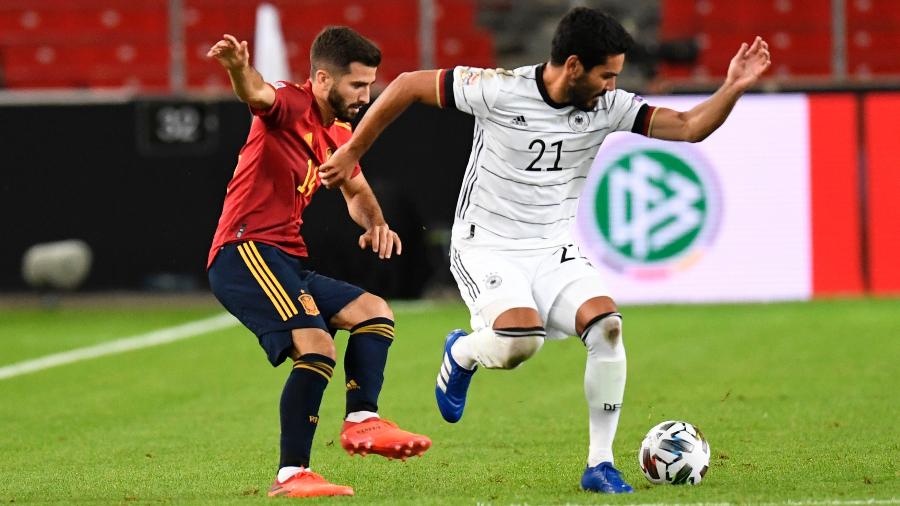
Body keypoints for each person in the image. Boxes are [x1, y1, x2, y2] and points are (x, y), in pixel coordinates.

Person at [319, 7, 771, 494]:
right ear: (573, 65)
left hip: (554, 247)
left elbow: (687, 126)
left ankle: (600, 464)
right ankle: (464, 352)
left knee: (608, 327)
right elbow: (407, 84)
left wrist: (733, 87)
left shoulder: (609, 105)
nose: (612, 85)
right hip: (486, 245)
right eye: (606, 74)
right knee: (521, 343)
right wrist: (352, 151)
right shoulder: (497, 88)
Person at [206, 27, 432, 498]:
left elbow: (355, 188)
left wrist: (375, 222)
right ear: (324, 79)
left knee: (374, 312)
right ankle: (292, 475)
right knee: (317, 346)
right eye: (358, 85)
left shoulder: (340, 132)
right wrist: (235, 67)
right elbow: (255, 90)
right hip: (244, 250)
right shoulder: (290, 104)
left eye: (370, 85)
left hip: (285, 258)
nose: (366, 96)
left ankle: (362, 421)